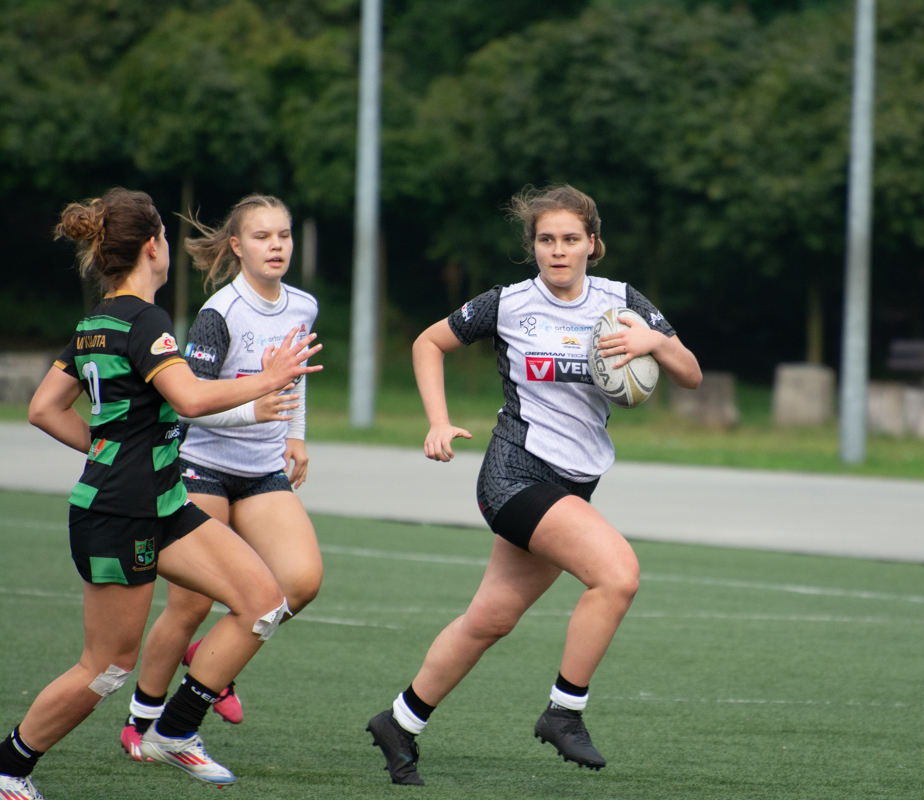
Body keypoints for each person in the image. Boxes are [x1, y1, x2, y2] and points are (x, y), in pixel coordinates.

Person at [365, 184, 702, 786]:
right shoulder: (509, 304)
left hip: (575, 484)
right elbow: (428, 343)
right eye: (546, 239)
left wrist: (653, 342)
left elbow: (691, 374)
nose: (558, 250)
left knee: (489, 620)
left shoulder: (623, 302)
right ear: (534, 246)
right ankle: (564, 712)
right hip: (515, 475)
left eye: (571, 239)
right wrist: (438, 420)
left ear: (592, 244)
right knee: (618, 575)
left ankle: (399, 722)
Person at [0, 188, 321, 800]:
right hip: (119, 513)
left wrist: (107, 448)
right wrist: (269, 381)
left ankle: (173, 731)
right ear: (153, 247)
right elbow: (191, 398)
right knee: (106, 667)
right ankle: (10, 767)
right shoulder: (145, 320)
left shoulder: (97, 321)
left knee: (261, 602)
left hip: (164, 501)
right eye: (166, 239)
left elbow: (44, 408)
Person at [119, 195, 322, 762]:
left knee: (301, 583)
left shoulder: (303, 305)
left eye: (283, 235)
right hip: (202, 467)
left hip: (261, 472)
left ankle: (213, 656)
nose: (276, 245)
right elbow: (190, 405)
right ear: (236, 246)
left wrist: (295, 434)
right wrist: (254, 411)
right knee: (188, 605)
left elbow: (295, 375)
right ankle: (141, 720)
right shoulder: (220, 312)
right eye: (262, 236)